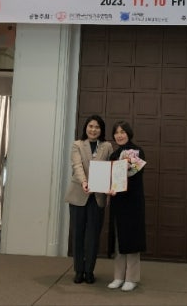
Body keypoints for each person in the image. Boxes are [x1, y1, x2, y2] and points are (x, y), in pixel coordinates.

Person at [63, 115, 113, 284]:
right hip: (79, 193)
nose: (93, 130)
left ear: (101, 129)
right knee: (78, 234)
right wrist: (84, 182)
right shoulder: (77, 144)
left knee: (93, 236)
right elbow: (76, 165)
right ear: (86, 127)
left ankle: (89, 270)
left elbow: (111, 168)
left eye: (97, 127)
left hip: (98, 197)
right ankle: (78, 270)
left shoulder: (107, 146)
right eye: (91, 126)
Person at [106, 121, 146, 292]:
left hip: (133, 202)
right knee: (118, 239)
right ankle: (118, 276)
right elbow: (110, 178)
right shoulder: (114, 155)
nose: (119, 135)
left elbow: (136, 175)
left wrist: (128, 164)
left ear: (128, 133)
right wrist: (108, 187)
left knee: (132, 238)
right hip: (118, 201)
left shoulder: (137, 151)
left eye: (122, 132)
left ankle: (132, 278)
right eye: (116, 132)